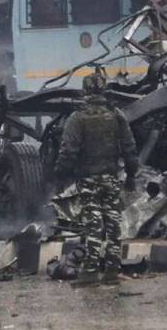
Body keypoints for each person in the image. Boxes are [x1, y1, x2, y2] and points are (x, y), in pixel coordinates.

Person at [54, 71, 139, 288]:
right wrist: (130, 175)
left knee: (93, 224)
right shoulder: (116, 114)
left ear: (85, 91)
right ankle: (112, 269)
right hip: (111, 177)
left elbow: (68, 151)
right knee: (113, 224)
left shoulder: (77, 118)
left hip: (88, 179)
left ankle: (90, 271)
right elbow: (129, 148)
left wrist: (60, 176)